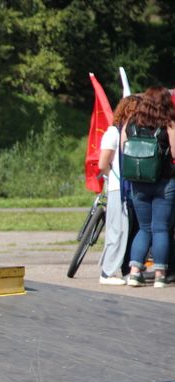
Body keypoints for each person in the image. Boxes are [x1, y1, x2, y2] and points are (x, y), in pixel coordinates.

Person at [122, 86, 175, 288]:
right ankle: (160, 275)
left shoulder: (131, 122)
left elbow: (124, 148)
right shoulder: (168, 124)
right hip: (164, 182)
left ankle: (135, 272)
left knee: (144, 228)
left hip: (138, 182)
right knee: (160, 228)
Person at [96, 95, 141, 285]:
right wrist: (114, 178)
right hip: (118, 188)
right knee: (117, 230)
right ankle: (107, 272)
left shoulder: (128, 132)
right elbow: (102, 164)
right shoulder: (113, 133)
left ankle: (123, 269)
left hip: (127, 188)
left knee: (128, 230)